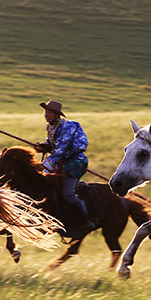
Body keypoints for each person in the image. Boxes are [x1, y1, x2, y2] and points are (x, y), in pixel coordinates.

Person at [35, 99, 97, 236]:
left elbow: (61, 150)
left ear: (57, 115)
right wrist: (44, 146)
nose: (46, 114)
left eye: (50, 112)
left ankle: (87, 219)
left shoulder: (67, 127)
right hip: (60, 161)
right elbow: (53, 144)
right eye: (46, 111)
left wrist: (44, 165)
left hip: (74, 163)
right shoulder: (50, 126)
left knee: (67, 194)